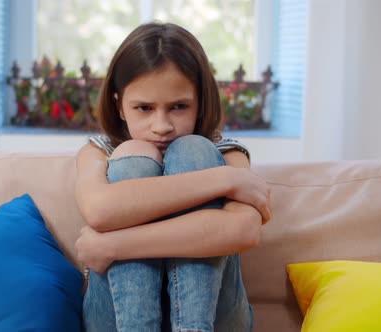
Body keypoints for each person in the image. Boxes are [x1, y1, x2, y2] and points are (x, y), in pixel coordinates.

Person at [74, 22, 271, 332]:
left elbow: (244, 230)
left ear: (200, 102)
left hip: (216, 319)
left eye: (179, 106)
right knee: (132, 156)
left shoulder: (227, 152)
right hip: (114, 320)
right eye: (144, 108)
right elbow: (100, 210)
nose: (161, 125)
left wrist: (112, 246)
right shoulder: (97, 151)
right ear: (119, 105)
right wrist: (224, 181)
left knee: (194, 149)